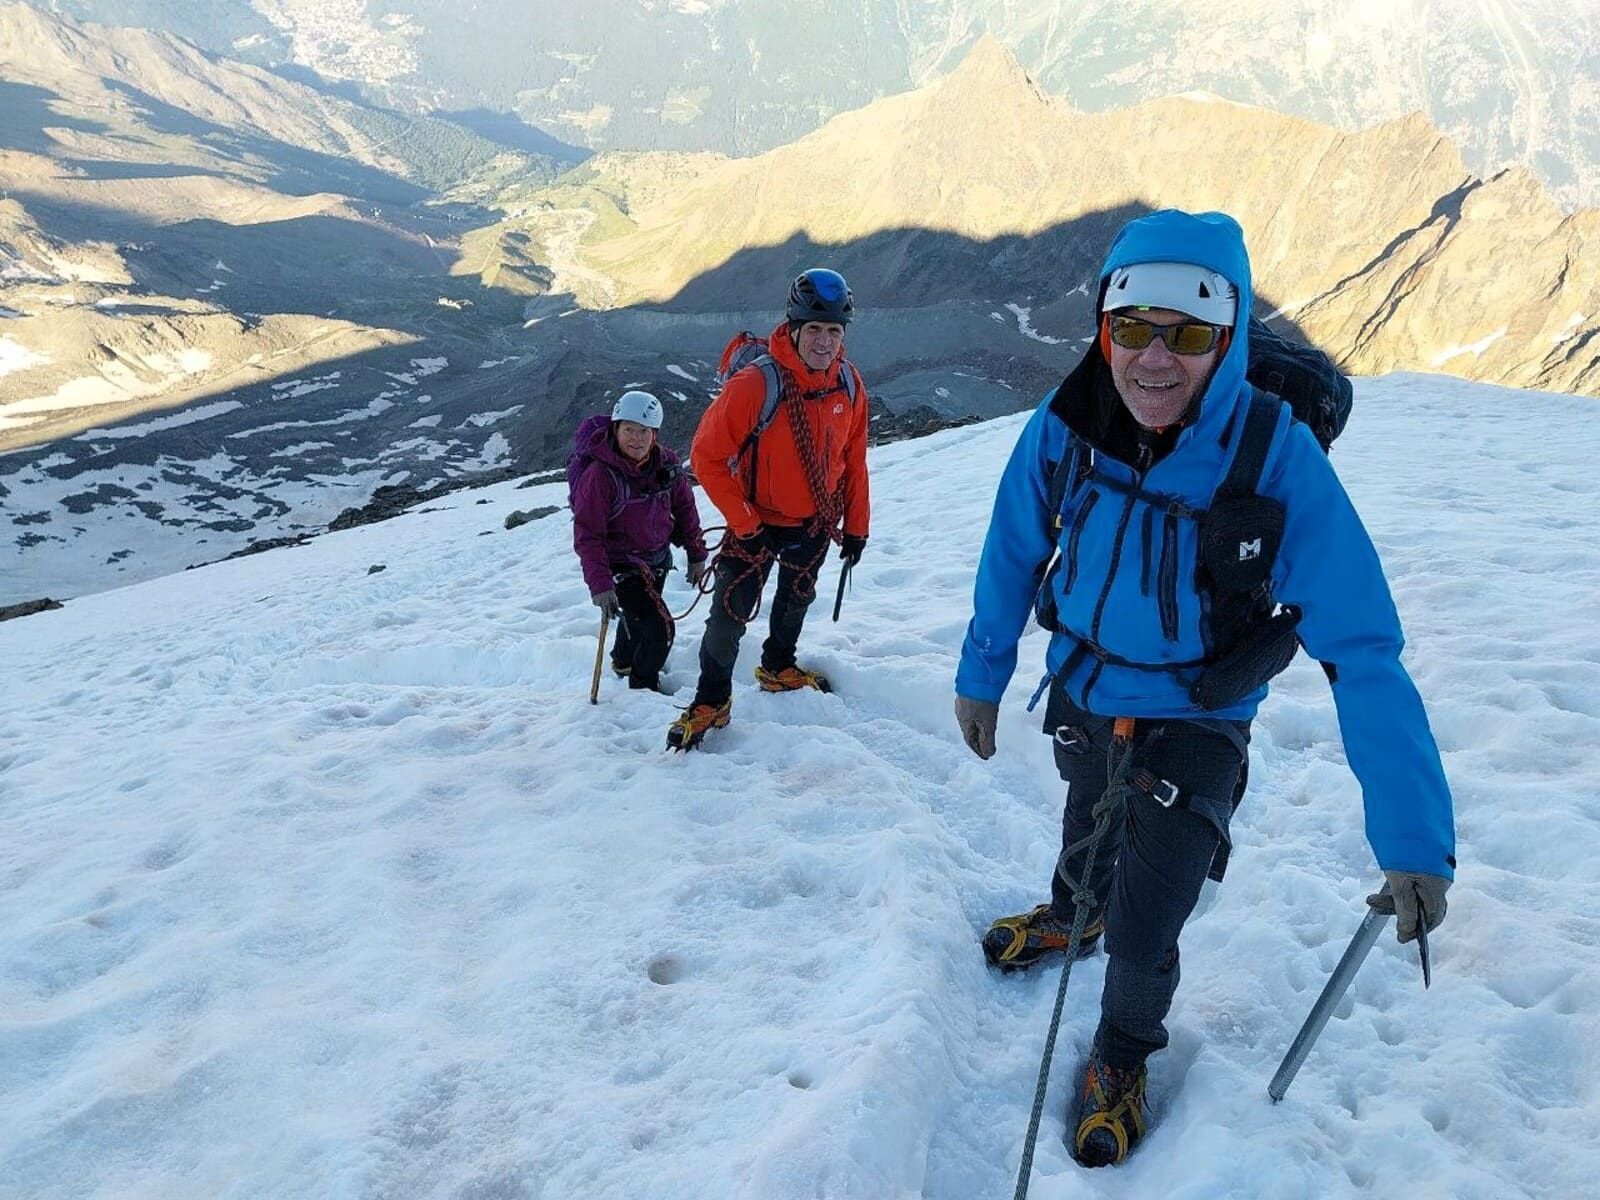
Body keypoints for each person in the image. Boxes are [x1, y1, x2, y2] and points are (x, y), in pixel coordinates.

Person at [952, 209, 1456, 1167]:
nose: (1153, 359)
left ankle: (1123, 1052)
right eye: (1132, 326)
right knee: (1085, 819)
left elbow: (1363, 651)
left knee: (1151, 925)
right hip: (1089, 688)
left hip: (1201, 716)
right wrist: (984, 670)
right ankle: (1073, 913)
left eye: (1187, 334)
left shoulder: (1274, 456)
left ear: (1225, 340)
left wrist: (1414, 838)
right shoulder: (1072, 419)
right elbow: (1015, 543)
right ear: (1103, 324)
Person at [666, 268, 871, 750]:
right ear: (794, 328)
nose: (824, 342)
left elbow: (853, 461)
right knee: (728, 615)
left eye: (834, 331)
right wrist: (746, 523)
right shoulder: (755, 385)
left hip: (814, 523)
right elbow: (707, 458)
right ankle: (710, 699)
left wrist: (856, 526)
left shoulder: (849, 384)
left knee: (795, 599)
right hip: (755, 523)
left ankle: (778, 666)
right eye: (815, 330)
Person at [571, 390, 708, 693]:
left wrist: (697, 554)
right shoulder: (600, 476)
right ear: (615, 429)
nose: (636, 438)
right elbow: (588, 535)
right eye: (629, 430)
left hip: (657, 559)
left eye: (644, 431)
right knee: (661, 630)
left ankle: (623, 661)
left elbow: (685, 509)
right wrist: (601, 586)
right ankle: (642, 689)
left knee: (638, 619)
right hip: (622, 564)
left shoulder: (666, 463)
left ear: (655, 433)